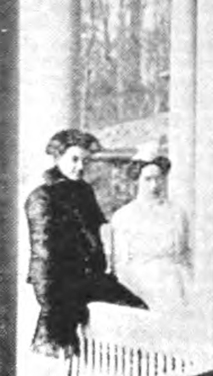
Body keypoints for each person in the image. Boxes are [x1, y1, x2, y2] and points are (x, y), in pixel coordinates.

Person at [25, 128, 140, 358]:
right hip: (59, 286)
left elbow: (96, 234)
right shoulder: (42, 197)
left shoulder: (84, 192)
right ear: (58, 158)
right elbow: (43, 255)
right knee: (66, 353)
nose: (80, 167)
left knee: (136, 312)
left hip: (90, 280)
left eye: (85, 161)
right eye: (74, 159)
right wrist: (50, 304)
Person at [108, 150, 192, 316]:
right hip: (141, 284)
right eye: (148, 179)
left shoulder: (177, 212)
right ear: (136, 181)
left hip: (178, 281)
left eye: (159, 178)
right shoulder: (124, 216)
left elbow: (184, 254)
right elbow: (122, 265)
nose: (155, 185)